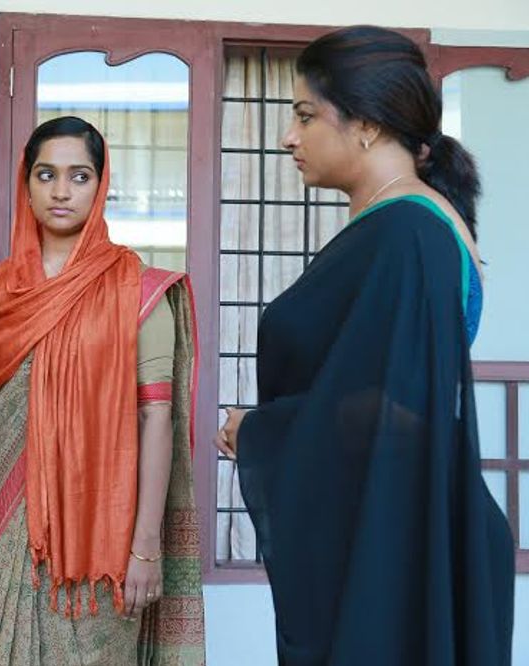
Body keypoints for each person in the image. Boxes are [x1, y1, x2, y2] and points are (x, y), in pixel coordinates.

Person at [216, 26, 514, 666]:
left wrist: (260, 432)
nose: (288, 137)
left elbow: (389, 412)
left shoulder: (407, 233)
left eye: (305, 116)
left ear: (369, 126)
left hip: (402, 554)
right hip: (396, 536)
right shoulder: (405, 222)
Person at [0, 116, 205, 665]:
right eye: (46, 175)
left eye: (79, 176)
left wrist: (146, 545)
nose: (61, 191)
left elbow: (155, 420)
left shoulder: (138, 290)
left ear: (101, 185)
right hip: (4, 525)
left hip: (102, 544)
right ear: (26, 185)